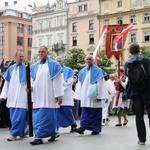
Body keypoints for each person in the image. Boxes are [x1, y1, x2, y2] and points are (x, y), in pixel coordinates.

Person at [29, 45, 64, 145]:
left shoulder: (54, 65)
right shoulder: (34, 66)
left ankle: (39, 137)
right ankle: (52, 133)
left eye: (43, 51)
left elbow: (57, 81)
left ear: (47, 52)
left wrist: (59, 96)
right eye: (39, 52)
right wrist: (30, 87)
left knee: (48, 117)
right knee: (38, 116)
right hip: (37, 96)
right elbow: (32, 80)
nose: (40, 53)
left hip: (49, 95)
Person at [74, 54, 108, 135]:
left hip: (95, 96)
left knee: (96, 112)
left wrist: (100, 95)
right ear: (85, 61)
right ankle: (82, 127)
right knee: (85, 112)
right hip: (85, 96)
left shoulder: (98, 70)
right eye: (87, 59)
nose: (88, 61)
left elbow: (101, 84)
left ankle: (96, 129)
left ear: (93, 60)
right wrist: (78, 95)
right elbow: (79, 84)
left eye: (90, 59)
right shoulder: (82, 71)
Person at [124, 43, 150, 145]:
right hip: (147, 90)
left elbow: (126, 75)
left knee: (139, 116)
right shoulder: (146, 60)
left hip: (135, 92)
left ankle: (142, 139)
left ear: (130, 52)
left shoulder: (127, 63)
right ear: (139, 50)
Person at [0, 51, 28, 141]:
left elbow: (30, 82)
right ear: (15, 56)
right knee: (13, 117)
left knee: (20, 116)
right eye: (20, 56)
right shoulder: (11, 69)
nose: (21, 58)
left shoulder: (26, 68)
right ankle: (23, 131)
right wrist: (3, 95)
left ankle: (14, 134)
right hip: (12, 96)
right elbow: (6, 83)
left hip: (22, 96)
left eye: (23, 57)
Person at [55, 56, 77, 133]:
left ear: (63, 62)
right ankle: (56, 127)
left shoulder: (69, 70)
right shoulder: (53, 70)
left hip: (66, 94)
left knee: (67, 111)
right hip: (57, 95)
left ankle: (73, 124)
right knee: (57, 112)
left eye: (60, 61)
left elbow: (70, 82)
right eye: (57, 61)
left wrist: (60, 88)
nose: (58, 63)